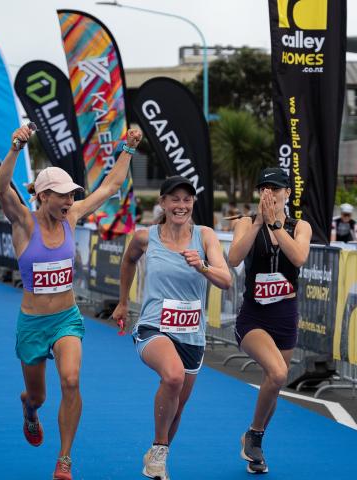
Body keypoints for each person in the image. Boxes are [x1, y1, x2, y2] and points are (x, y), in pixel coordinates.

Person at [0, 123, 142, 480]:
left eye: (72, 195)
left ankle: (64, 459)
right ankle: (29, 411)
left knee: (72, 380)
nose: (70, 202)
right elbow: (1, 188)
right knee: (39, 397)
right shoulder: (23, 224)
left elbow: (109, 187)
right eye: (62, 195)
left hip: (66, 319)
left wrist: (129, 148)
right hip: (32, 324)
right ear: (44, 196)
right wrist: (15, 146)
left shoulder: (71, 218)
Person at [112, 176, 231, 480]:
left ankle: (157, 458)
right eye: (174, 199)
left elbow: (226, 280)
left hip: (192, 333)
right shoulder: (144, 237)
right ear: (163, 203)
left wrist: (202, 266)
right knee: (173, 376)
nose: (181, 205)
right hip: (154, 326)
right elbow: (128, 262)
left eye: (187, 199)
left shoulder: (205, 237)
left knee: (176, 406)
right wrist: (123, 302)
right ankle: (159, 448)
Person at [227, 167, 312, 474]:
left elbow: (299, 257)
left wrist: (277, 225)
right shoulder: (246, 222)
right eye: (264, 187)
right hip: (254, 316)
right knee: (277, 373)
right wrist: (259, 223)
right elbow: (234, 258)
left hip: (286, 316)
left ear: (287, 193)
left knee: (273, 382)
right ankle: (254, 436)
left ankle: (255, 446)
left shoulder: (299, 226)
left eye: (276, 188)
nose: (269, 193)